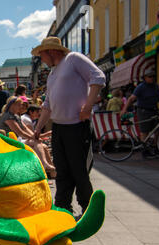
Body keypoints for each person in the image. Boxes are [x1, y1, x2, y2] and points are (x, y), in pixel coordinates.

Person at [32, 37, 105, 215]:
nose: (41, 59)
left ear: (51, 51)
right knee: (62, 170)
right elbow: (48, 104)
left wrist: (87, 107)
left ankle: (88, 208)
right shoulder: (52, 73)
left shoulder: (73, 59)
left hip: (77, 126)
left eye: (42, 54)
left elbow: (98, 77)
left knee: (78, 170)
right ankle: (63, 207)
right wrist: (38, 128)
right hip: (59, 128)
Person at [0, 96, 55, 175]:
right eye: (19, 105)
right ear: (12, 105)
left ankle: (47, 170)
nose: (21, 107)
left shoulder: (15, 116)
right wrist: (36, 138)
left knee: (41, 146)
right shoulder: (8, 117)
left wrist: (36, 136)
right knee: (38, 144)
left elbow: (25, 129)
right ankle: (45, 166)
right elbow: (20, 132)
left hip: (16, 140)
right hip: (9, 142)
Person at [120, 68, 159, 158]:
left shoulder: (155, 86)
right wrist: (124, 109)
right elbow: (131, 99)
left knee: (158, 129)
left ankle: (156, 147)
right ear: (145, 78)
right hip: (143, 110)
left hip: (154, 110)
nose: (152, 78)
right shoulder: (141, 87)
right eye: (150, 76)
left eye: (153, 76)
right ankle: (145, 151)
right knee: (145, 131)